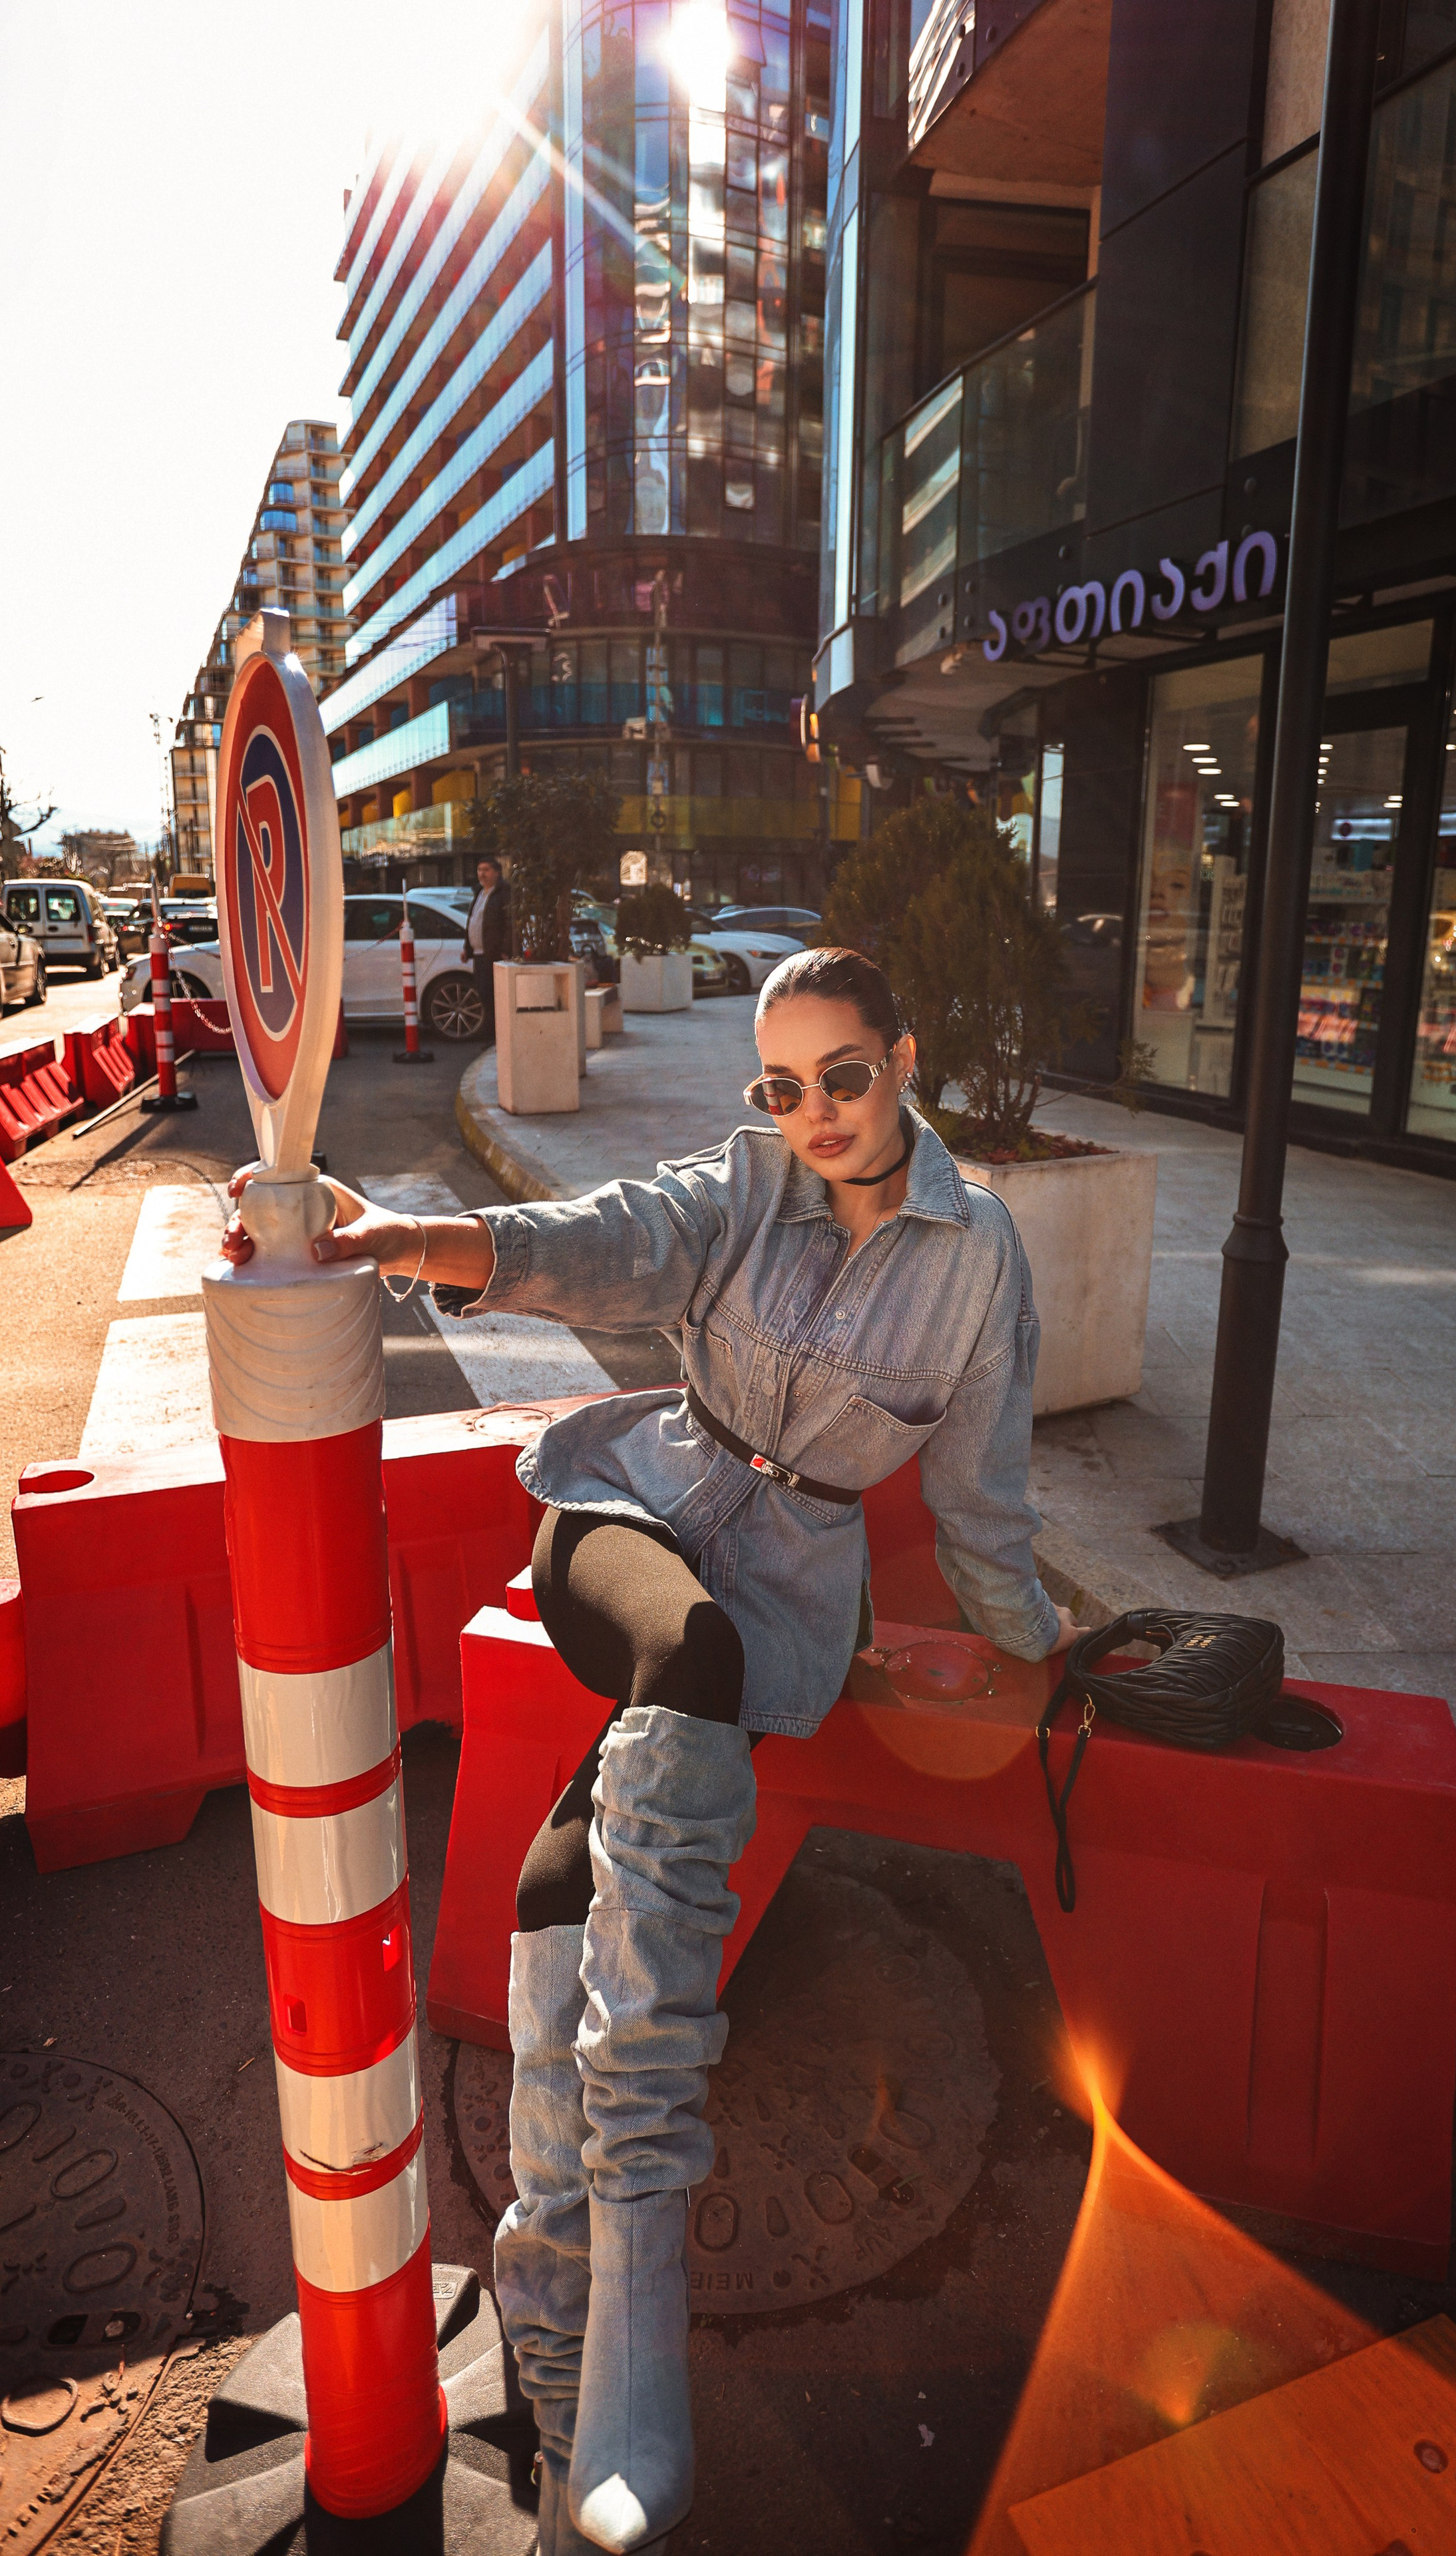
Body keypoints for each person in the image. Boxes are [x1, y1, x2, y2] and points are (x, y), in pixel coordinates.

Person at [220, 946, 1079, 2555]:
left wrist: (1034, 1646)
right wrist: (401, 1235)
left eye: (844, 1074)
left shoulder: (981, 1264)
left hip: (792, 1589)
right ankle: (644, 2244)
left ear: (905, 1055)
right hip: (630, 1514)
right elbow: (602, 1239)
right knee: (685, 1667)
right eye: (780, 1084)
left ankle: (562, 2339)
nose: (812, 1112)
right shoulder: (745, 1181)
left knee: (575, 1876)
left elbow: (982, 1495)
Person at [464, 855, 510, 1038]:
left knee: (494, 995)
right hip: (478, 953)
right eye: (479, 870)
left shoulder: (504, 894)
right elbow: (473, 922)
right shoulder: (479, 893)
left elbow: (509, 924)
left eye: (486, 870)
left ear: (497, 873)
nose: (481, 874)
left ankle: (498, 1035)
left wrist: (506, 949)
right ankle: (492, 1032)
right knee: (483, 993)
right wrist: (467, 948)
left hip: (495, 954)